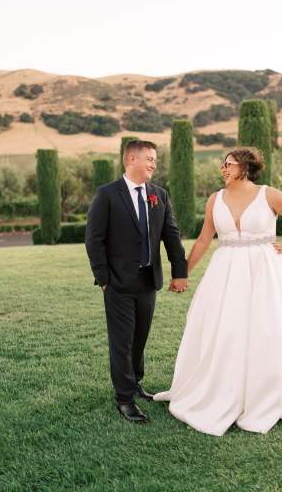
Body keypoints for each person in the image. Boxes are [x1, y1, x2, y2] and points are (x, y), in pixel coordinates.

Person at [154, 147, 282, 436]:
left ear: (245, 167)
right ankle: (223, 388)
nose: (223, 169)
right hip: (225, 274)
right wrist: (182, 273)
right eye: (223, 165)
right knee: (225, 330)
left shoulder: (268, 195)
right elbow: (202, 240)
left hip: (265, 272)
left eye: (229, 164)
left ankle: (263, 392)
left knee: (265, 329)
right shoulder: (215, 199)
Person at [85, 139, 188, 424]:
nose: (155, 164)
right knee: (122, 342)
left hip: (148, 280)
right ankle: (124, 399)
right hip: (117, 283)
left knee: (139, 338)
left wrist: (180, 272)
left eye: (155, 159)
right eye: (151, 159)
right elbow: (94, 240)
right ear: (132, 158)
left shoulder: (159, 195)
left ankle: (135, 382)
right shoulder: (106, 194)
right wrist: (104, 279)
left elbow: (172, 236)